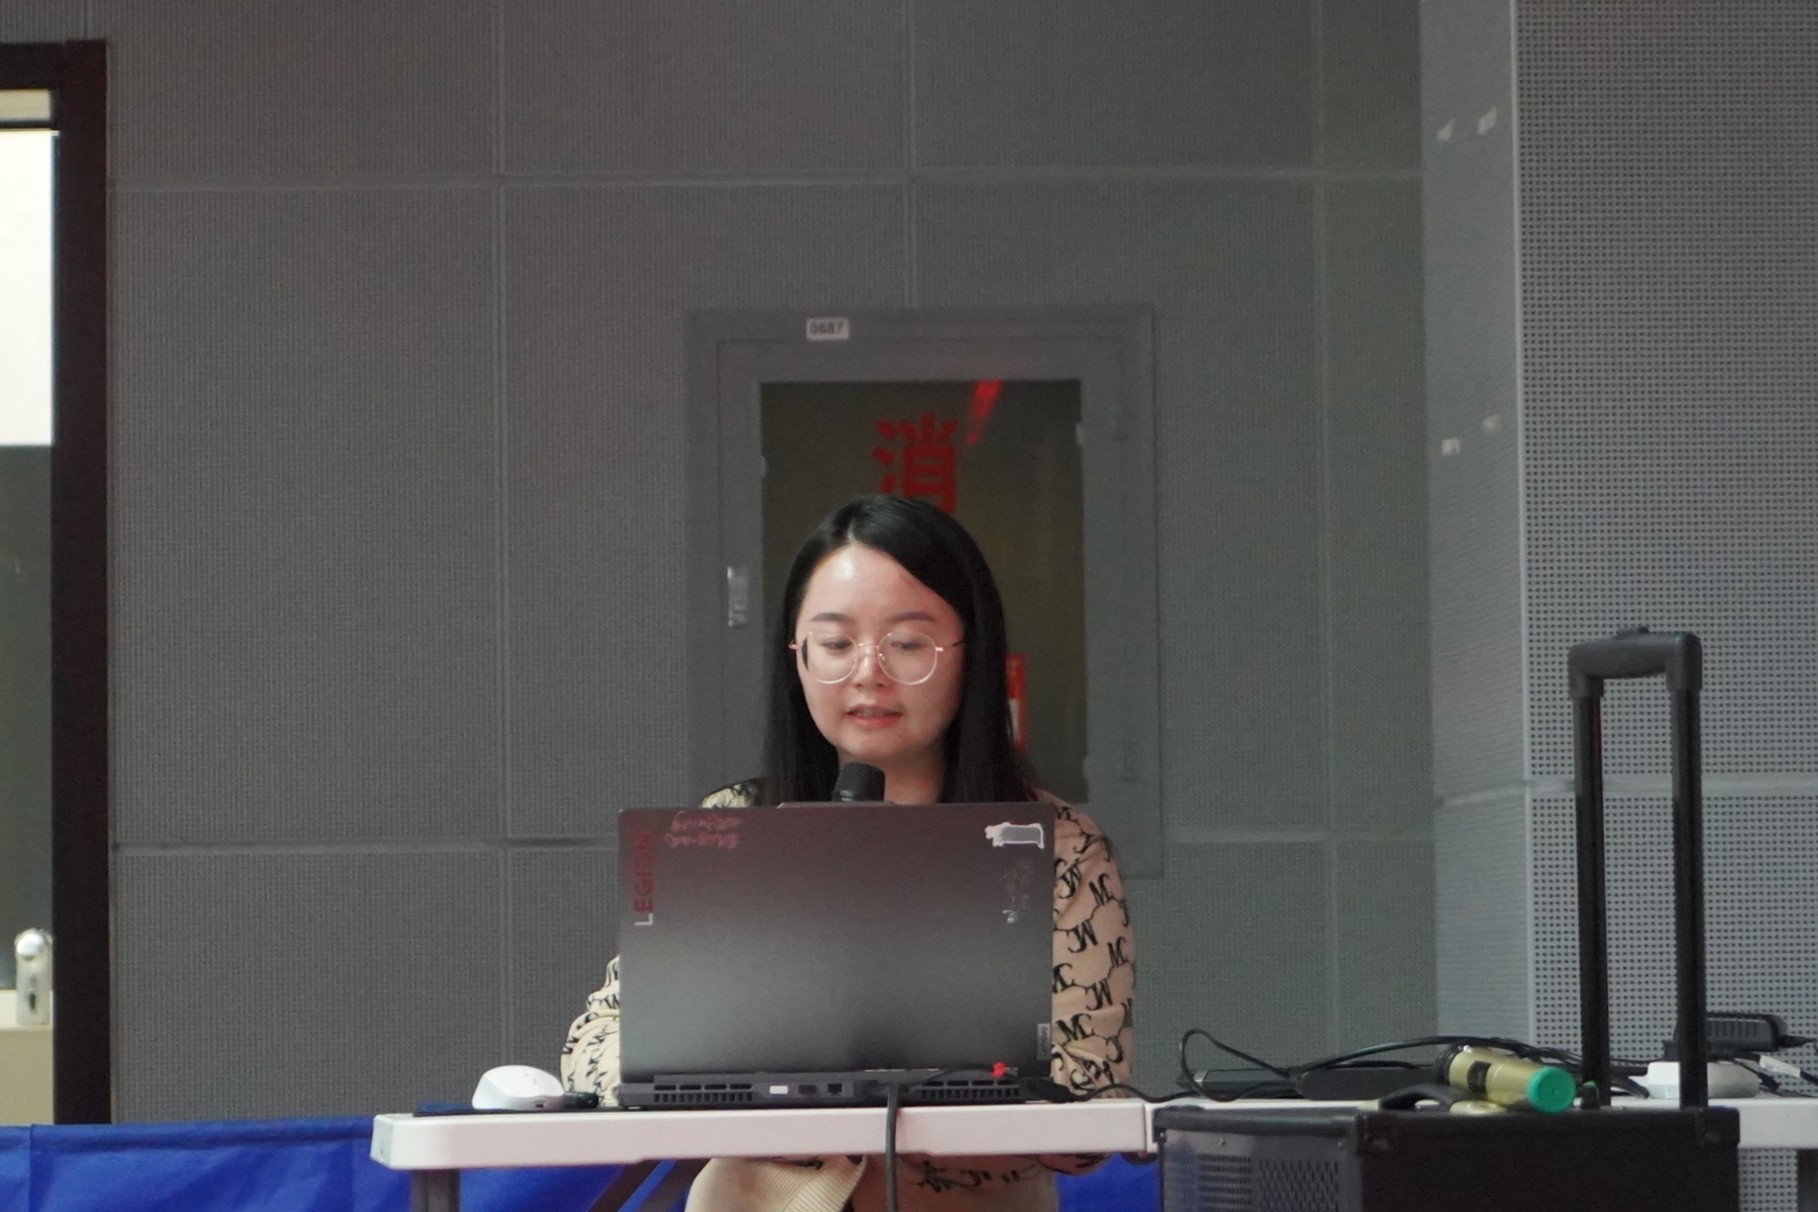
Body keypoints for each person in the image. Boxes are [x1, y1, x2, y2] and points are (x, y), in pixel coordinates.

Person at [562, 494, 1135, 1211]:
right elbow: (599, 1044)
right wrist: (714, 1087)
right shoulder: (728, 829)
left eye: (908, 644)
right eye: (835, 644)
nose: (869, 673)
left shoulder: (1060, 846)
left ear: (973, 655)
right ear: (797, 658)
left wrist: (848, 1089)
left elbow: (1090, 1097)